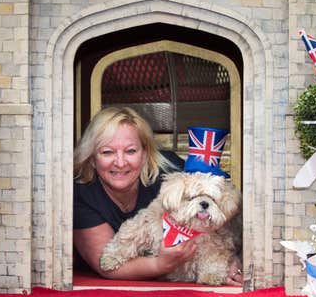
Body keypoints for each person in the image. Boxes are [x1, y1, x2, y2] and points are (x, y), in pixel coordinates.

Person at [73, 106, 242, 285]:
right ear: (92, 158)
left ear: (145, 153)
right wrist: (160, 265)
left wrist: (231, 260)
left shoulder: (169, 171)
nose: (120, 162)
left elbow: (225, 222)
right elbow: (106, 265)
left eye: (131, 151)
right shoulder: (81, 193)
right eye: (107, 152)